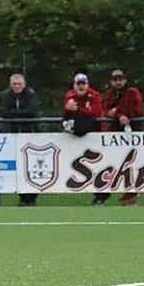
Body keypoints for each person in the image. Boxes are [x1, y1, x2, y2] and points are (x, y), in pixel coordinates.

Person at [100, 69, 144, 206]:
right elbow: (105, 111)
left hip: (133, 135)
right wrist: (118, 114)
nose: (118, 82)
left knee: (132, 165)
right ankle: (105, 195)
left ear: (125, 80)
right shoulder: (108, 94)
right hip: (114, 136)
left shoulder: (132, 92)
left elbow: (136, 110)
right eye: (115, 80)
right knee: (114, 165)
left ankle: (131, 195)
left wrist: (118, 113)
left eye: (120, 79)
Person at [62, 73, 105, 204]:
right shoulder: (70, 95)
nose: (81, 87)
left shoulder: (95, 95)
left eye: (83, 84)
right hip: (76, 137)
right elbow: (66, 111)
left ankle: (101, 194)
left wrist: (78, 109)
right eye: (78, 84)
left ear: (87, 84)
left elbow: (95, 113)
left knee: (98, 165)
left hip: (94, 134)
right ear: (74, 85)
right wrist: (68, 109)